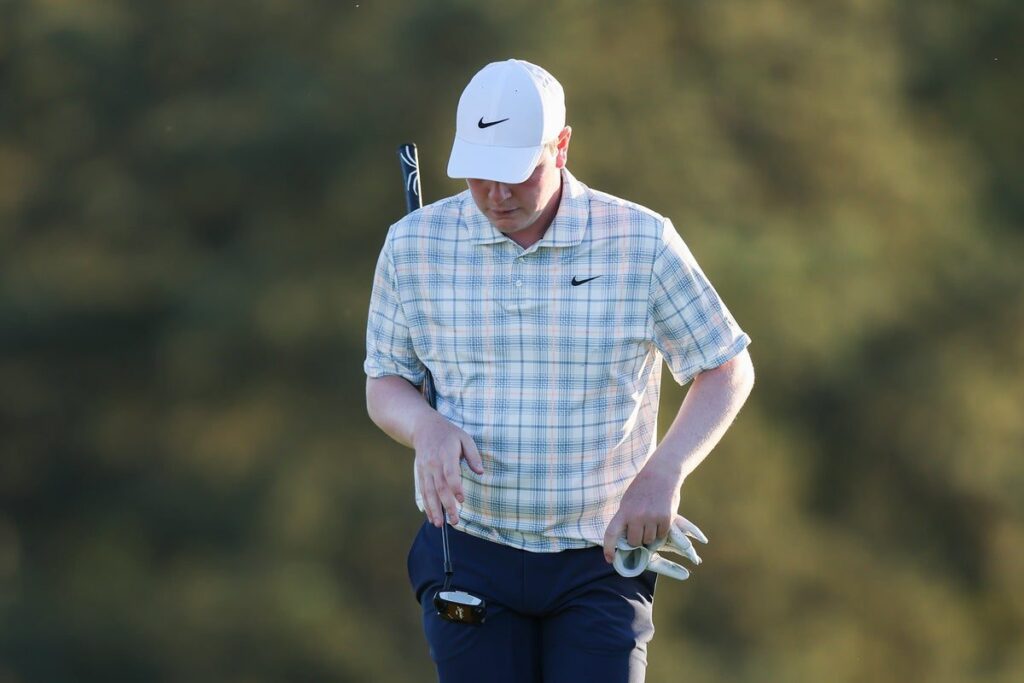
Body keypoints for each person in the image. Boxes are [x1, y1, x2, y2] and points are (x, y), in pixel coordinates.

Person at [365, 59, 754, 683]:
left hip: (600, 557)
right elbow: (385, 381)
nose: (497, 195)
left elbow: (726, 366)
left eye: (517, 174)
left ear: (563, 146)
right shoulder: (414, 245)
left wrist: (663, 474)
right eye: (480, 175)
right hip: (468, 550)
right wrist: (424, 428)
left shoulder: (641, 241)